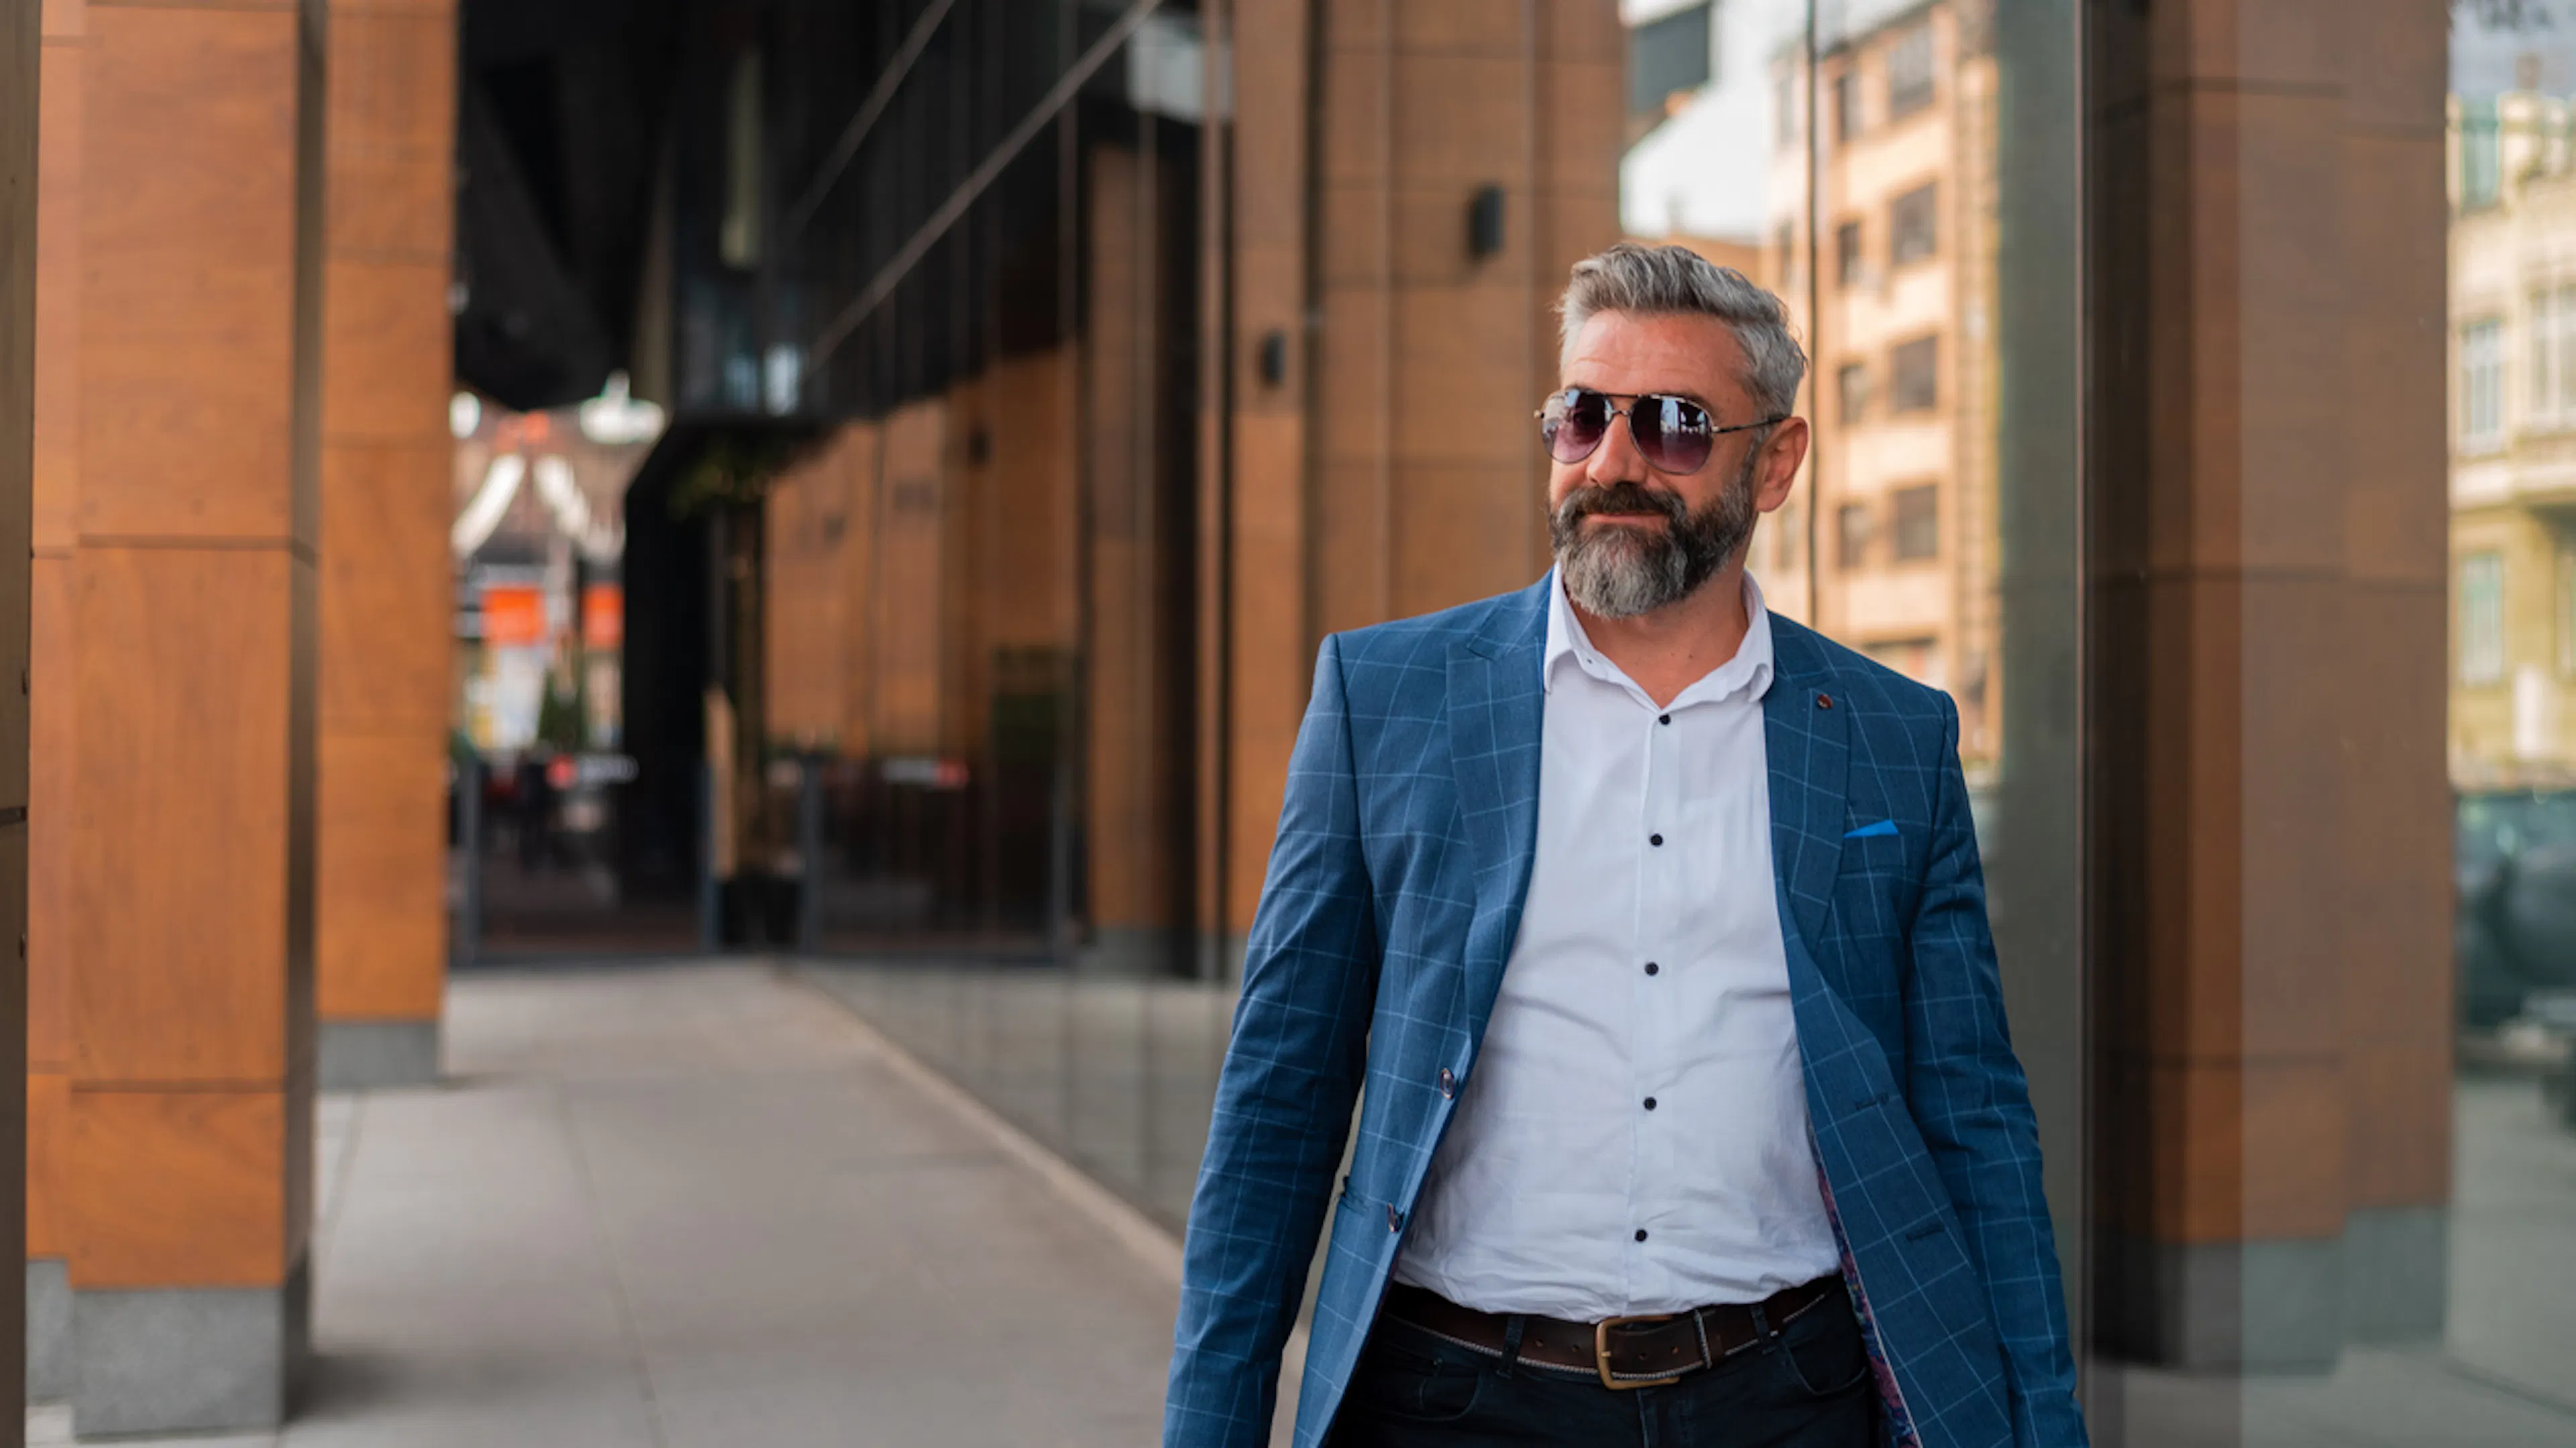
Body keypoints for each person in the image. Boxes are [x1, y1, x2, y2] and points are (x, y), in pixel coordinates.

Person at [1163, 243, 2085, 1448]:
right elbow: (1276, 1112)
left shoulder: (1891, 740)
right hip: (1455, 1401)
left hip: (1787, 1401)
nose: (1614, 460)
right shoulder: (1385, 703)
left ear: (1777, 462)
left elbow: (1976, 1127)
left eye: (1677, 426)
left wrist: (2044, 1422)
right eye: (1583, 416)